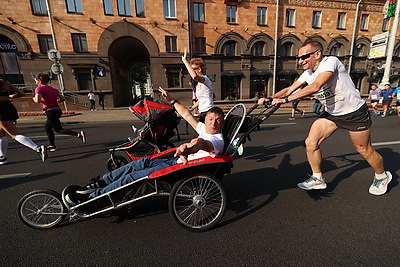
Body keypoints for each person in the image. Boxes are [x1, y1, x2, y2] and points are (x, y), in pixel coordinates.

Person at [258, 40, 391, 196]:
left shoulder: (330, 62)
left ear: (317, 54)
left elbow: (316, 86)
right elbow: (289, 89)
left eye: (304, 57)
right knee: (310, 142)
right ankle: (318, 178)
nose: (300, 61)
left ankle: (382, 176)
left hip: (354, 112)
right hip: (332, 114)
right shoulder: (308, 73)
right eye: (299, 58)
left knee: (364, 150)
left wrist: (286, 100)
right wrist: (270, 97)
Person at [65, 86, 225, 205]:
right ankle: (100, 183)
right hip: (174, 162)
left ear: (222, 123)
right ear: (206, 119)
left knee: (133, 177)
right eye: (211, 119)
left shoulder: (217, 141)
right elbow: (187, 114)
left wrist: (189, 146)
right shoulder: (204, 128)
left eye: (218, 120)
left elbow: (203, 144)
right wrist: (172, 100)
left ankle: (92, 198)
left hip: (180, 168)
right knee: (139, 163)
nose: (214, 122)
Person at [33, 73, 86, 152]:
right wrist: (54, 101)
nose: (36, 83)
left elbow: (37, 100)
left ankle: (78, 134)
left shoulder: (39, 89)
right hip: (57, 110)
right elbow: (63, 98)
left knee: (58, 129)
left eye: (36, 81)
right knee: (47, 128)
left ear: (40, 81)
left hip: (50, 111)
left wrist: (33, 98)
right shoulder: (53, 89)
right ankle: (52, 145)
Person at [0, 79, 47, 164]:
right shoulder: (6, 83)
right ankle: (2, 157)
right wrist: (10, 96)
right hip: (8, 107)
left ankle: (37, 148)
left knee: (14, 134)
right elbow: (21, 93)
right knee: (1, 133)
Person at [181, 47, 214, 122]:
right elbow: (200, 100)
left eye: (193, 69)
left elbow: (194, 76)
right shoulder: (199, 84)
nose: (191, 71)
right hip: (203, 112)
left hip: (208, 112)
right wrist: (191, 109)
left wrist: (185, 61)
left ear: (199, 69)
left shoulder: (205, 79)